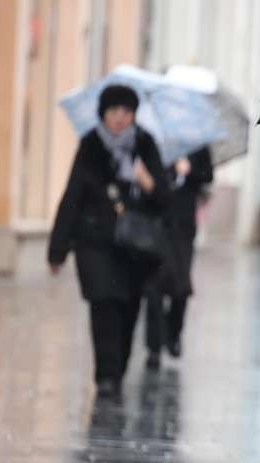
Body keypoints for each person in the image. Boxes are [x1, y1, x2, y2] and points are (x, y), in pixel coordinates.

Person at [48, 85, 171, 397]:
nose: (120, 118)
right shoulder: (90, 145)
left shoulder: (145, 144)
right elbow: (73, 196)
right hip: (95, 242)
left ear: (133, 115)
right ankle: (105, 375)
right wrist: (58, 248)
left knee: (128, 308)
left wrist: (147, 182)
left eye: (126, 112)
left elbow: (164, 201)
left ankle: (118, 368)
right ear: (103, 113)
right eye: (114, 111)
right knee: (102, 303)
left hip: (134, 248)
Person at [144, 146, 213, 369]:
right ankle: (153, 346)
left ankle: (174, 334)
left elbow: (207, 175)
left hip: (183, 228)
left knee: (180, 286)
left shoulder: (199, 144)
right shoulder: (154, 142)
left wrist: (189, 170)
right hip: (157, 223)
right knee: (153, 286)